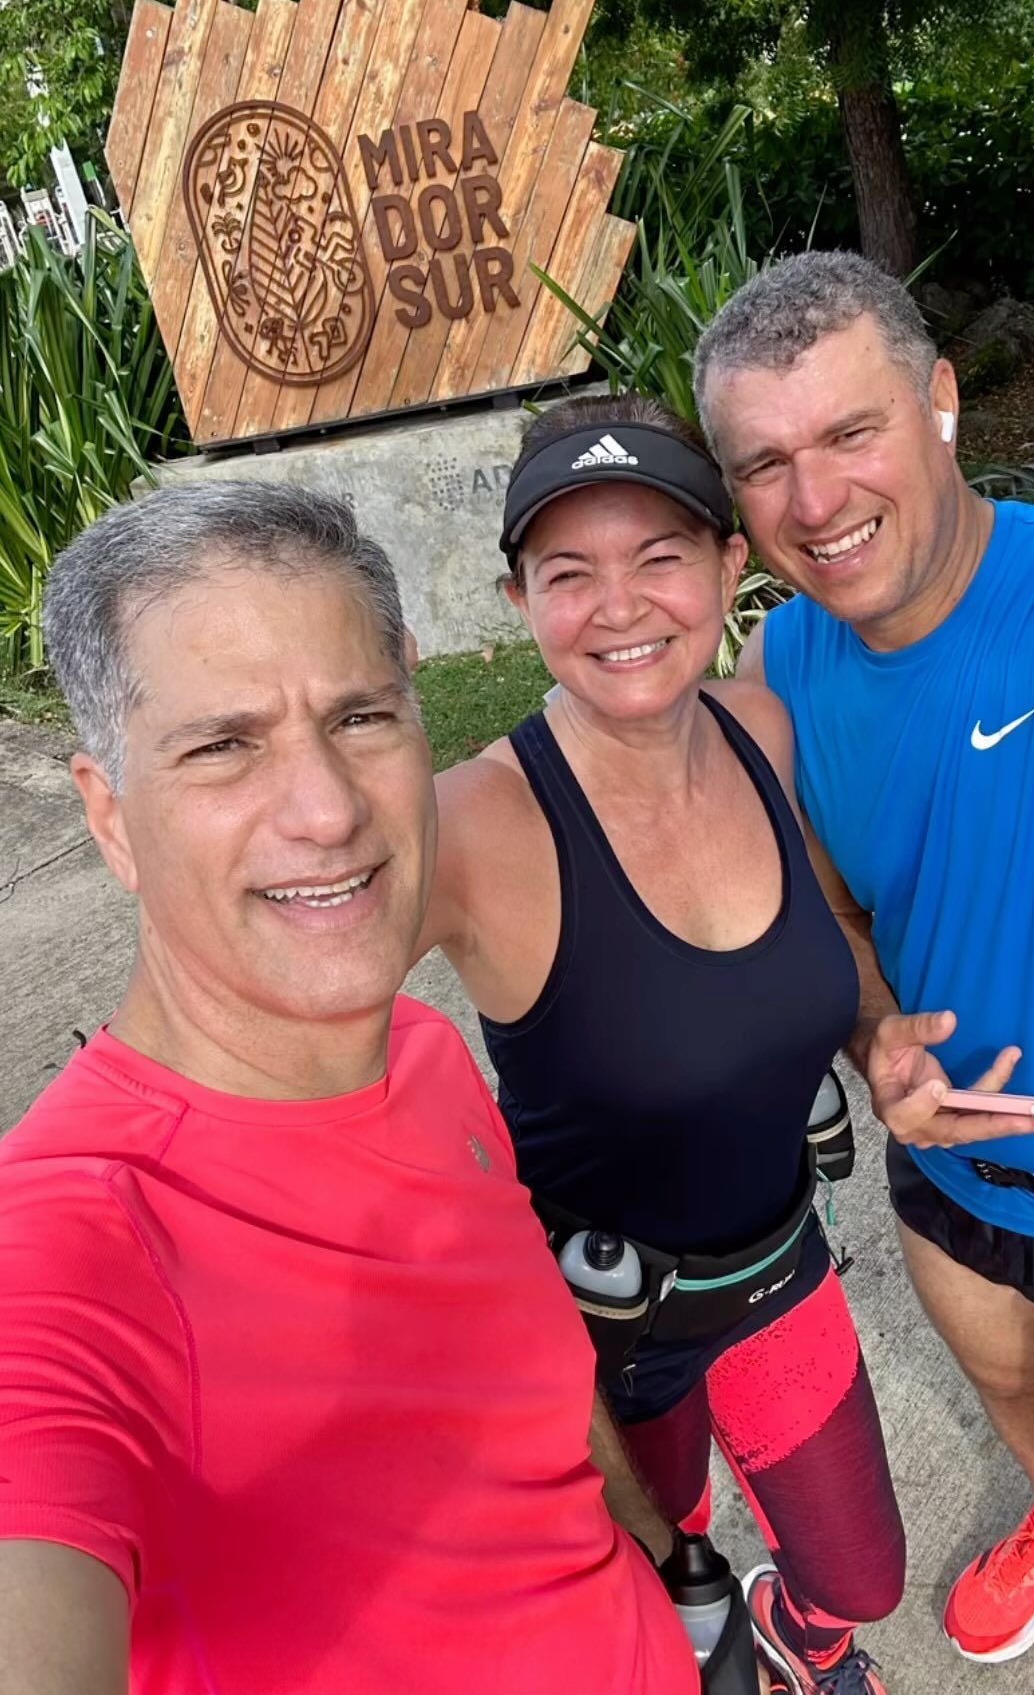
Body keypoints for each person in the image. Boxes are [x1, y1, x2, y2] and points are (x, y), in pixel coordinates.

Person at [0, 481, 707, 1695]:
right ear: (109, 818)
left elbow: (526, 1369)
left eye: (362, 716)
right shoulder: (76, 1247)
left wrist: (660, 1555)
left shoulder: (428, 1055)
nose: (327, 809)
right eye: (223, 746)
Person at [417, 392, 906, 1695]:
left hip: (777, 1269)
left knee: (861, 1583)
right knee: (660, 1598)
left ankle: (803, 1639)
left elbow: (821, 942)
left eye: (660, 557)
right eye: (569, 572)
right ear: (519, 600)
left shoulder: (761, 731)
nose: (620, 606)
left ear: (727, 565)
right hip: (601, 1335)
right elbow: (271, 993)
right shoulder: (469, 825)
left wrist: (875, 1042)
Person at [695, 250, 1034, 1669]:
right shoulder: (781, 678)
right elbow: (835, 913)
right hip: (956, 1191)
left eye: (852, 432)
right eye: (766, 463)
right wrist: (868, 1035)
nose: (816, 501)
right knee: (1033, 1404)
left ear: (937, 401)